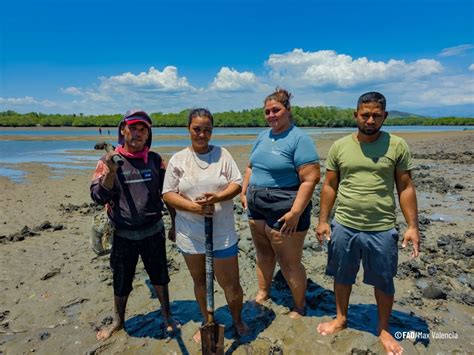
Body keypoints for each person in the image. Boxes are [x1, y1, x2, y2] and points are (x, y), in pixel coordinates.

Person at [315, 92, 420, 355]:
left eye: (376, 115)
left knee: (384, 280)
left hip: (382, 227)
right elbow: (329, 185)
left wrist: (412, 226)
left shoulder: (397, 145)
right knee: (342, 274)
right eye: (365, 115)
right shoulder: (340, 146)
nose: (370, 120)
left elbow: (405, 187)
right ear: (356, 115)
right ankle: (341, 318)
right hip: (344, 225)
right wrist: (323, 220)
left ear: (384, 116)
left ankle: (383, 328)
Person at [90, 109, 179, 341]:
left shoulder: (156, 160)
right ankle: (119, 321)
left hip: (153, 231)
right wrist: (111, 173)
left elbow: (168, 193)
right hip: (122, 235)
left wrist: (174, 224)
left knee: (160, 276)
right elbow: (98, 197)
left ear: (148, 133)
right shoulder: (107, 161)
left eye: (143, 129)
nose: (137, 134)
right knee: (121, 280)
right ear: (123, 130)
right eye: (133, 128)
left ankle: (167, 315)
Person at [162, 108, 249, 342]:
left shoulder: (223, 155)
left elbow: (237, 184)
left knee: (231, 283)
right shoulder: (179, 159)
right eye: (197, 130)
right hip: (190, 234)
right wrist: (195, 208)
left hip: (221, 233)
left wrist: (217, 198)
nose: (202, 134)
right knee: (200, 281)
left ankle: (237, 319)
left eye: (207, 130)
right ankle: (207, 320)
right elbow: (168, 194)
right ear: (188, 129)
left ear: (212, 131)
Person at [240, 88, 320, 318]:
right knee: (263, 255)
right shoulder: (263, 136)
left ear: (288, 110)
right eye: (267, 112)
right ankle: (263, 292)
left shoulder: (299, 138)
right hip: (256, 204)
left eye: (276, 110)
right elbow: (250, 166)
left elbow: (310, 178)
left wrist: (296, 212)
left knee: (289, 262)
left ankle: (299, 305)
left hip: (285, 206)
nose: (272, 115)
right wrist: (244, 192)